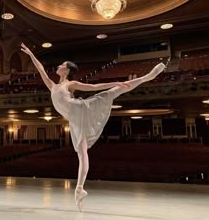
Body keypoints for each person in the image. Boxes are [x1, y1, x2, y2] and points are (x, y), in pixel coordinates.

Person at [21, 43, 167, 211]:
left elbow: (93, 87)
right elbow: (40, 69)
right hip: (74, 120)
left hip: (81, 109)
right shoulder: (53, 86)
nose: (59, 66)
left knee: (110, 93)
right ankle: (79, 189)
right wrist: (31, 54)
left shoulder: (70, 84)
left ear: (67, 70)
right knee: (82, 155)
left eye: (62, 65)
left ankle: (145, 77)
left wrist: (116, 81)